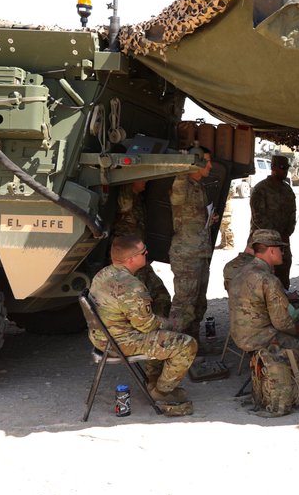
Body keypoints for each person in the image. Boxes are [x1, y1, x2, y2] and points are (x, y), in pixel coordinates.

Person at [229, 229, 299, 415]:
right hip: (262, 337)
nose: (283, 253)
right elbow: (282, 323)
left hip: (241, 335)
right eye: (280, 249)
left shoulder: (240, 272)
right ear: (270, 251)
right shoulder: (268, 280)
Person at [90, 234, 197, 405]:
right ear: (131, 259)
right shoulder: (131, 286)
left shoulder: (103, 274)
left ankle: (153, 375)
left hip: (102, 338)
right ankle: (162, 392)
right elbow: (147, 327)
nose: (147, 254)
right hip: (120, 343)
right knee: (187, 344)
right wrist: (174, 324)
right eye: (143, 252)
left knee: (160, 328)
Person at [169, 147, 214, 343]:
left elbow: (191, 216)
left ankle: (192, 347)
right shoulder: (183, 183)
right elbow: (177, 198)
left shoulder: (198, 186)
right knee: (184, 305)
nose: (210, 165)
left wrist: (208, 218)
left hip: (200, 252)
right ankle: (174, 348)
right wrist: (182, 166)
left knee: (198, 304)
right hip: (187, 255)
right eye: (207, 161)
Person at [112, 179, 171, 318]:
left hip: (140, 259)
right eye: (142, 179)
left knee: (161, 295)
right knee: (139, 300)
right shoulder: (126, 199)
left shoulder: (138, 199)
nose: (145, 181)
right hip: (129, 260)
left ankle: (159, 327)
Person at [250, 154, 298, 288]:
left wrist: (287, 233)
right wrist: (275, 237)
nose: (285, 171)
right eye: (282, 168)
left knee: (283, 273)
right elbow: (258, 218)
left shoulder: (287, 189)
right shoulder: (261, 189)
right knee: (263, 277)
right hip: (264, 243)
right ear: (273, 168)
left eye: (286, 168)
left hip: (283, 241)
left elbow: (292, 214)